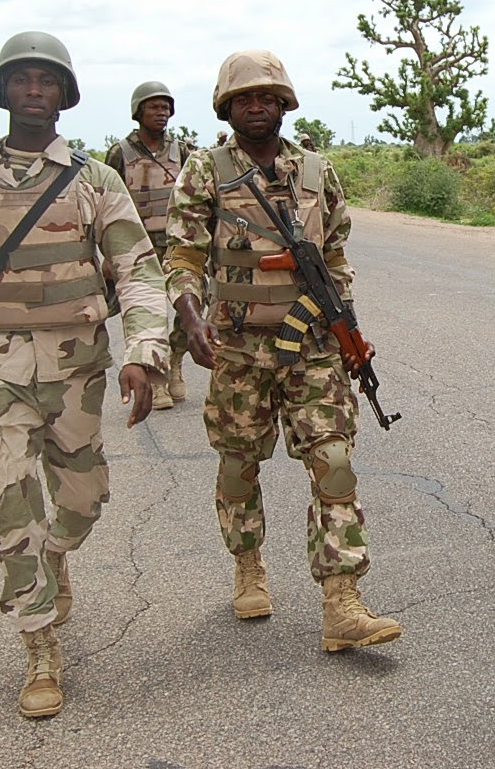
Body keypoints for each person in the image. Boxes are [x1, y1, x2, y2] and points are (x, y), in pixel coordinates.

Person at [0, 31, 170, 719]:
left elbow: (139, 270)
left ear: (64, 94)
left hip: (76, 367)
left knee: (82, 502)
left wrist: (147, 349)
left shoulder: (93, 179)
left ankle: (57, 555)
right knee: (7, 500)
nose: (34, 89)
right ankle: (38, 641)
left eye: (47, 80)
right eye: (21, 79)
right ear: (1, 92)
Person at [164, 49, 402, 651]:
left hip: (314, 347)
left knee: (335, 463)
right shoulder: (204, 171)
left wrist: (348, 326)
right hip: (238, 349)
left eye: (267, 96)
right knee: (239, 467)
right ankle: (248, 566)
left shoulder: (318, 172)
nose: (256, 104)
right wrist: (192, 318)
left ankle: (341, 602)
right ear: (227, 106)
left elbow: (337, 257)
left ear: (284, 104)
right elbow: (185, 257)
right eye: (244, 97)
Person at [104, 81, 194, 410]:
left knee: (192, 304)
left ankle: (175, 360)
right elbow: (105, 203)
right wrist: (105, 255)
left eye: (166, 107)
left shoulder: (181, 150)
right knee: (148, 313)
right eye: (154, 107)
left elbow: (196, 198)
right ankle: (156, 381)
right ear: (138, 111)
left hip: (175, 242)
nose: (162, 113)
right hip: (134, 247)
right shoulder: (120, 153)